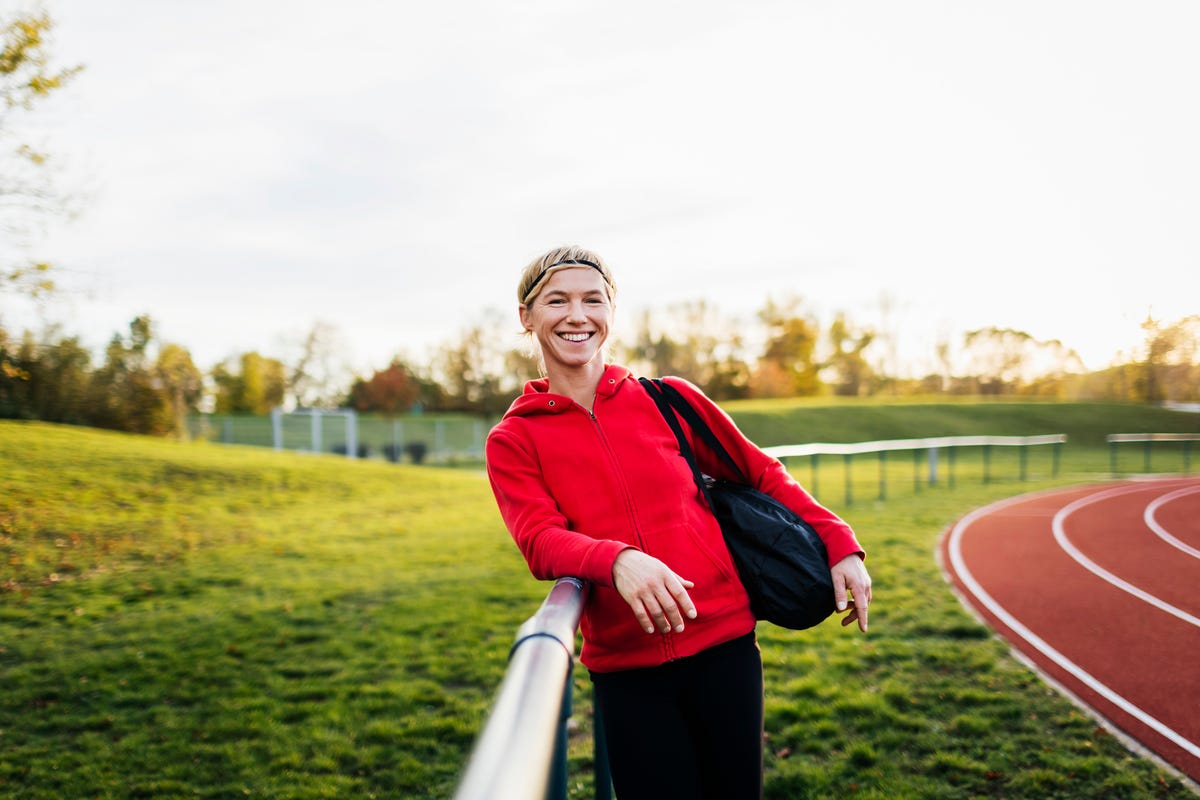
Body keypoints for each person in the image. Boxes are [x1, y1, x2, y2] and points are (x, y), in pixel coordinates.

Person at [485, 245, 871, 800]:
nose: (577, 315)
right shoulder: (514, 438)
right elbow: (539, 540)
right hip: (626, 669)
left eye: (593, 299)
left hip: (727, 649)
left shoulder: (667, 400)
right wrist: (617, 560)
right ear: (528, 317)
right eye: (557, 301)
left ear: (610, 312)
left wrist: (840, 544)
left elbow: (762, 473)